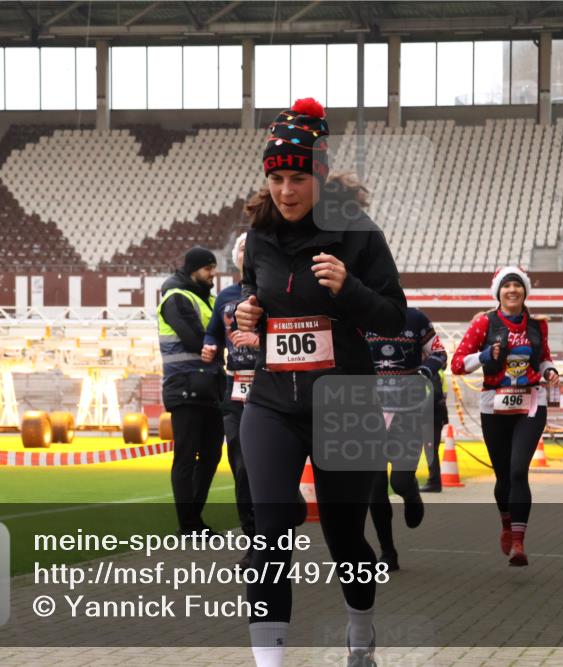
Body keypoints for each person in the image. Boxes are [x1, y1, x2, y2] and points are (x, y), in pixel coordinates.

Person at [235, 97, 406, 667]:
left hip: (345, 401)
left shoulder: (358, 235)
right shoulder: (258, 236)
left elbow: (394, 318)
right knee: (270, 531)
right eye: (278, 178)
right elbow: (256, 300)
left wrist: (348, 289)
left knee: (345, 538)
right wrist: (250, 317)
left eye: (299, 177)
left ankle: (361, 632)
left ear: (321, 175)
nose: (287, 191)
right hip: (272, 402)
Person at [450, 266, 559, 567]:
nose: (512, 290)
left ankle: (519, 544)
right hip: (494, 405)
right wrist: (484, 356)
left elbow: (544, 355)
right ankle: (507, 524)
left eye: (518, 286)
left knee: (517, 471)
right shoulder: (483, 323)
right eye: (507, 286)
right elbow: (457, 364)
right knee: (502, 477)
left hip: (530, 405)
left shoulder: (538, 325)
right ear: (498, 292)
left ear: (525, 292)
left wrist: (549, 370)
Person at [364, 307, 447, 570]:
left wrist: (425, 371)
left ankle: (410, 494)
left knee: (398, 482)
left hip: (408, 414)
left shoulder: (416, 319)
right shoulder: (358, 317)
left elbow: (440, 352)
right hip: (368, 415)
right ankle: (388, 552)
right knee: (375, 490)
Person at [201, 232, 260, 564]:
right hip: (234, 387)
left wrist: (258, 341)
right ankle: (252, 541)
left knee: (269, 464)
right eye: (241, 248)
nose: (245, 252)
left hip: (271, 386)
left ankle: (287, 498)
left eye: (251, 248)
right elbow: (213, 330)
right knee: (240, 465)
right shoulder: (226, 296)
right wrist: (210, 344)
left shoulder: (275, 292)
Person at [158, 247, 226, 535]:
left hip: (211, 386)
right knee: (186, 456)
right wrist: (215, 344)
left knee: (211, 456)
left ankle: (193, 519)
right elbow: (193, 340)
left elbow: (219, 336)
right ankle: (188, 524)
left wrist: (216, 343)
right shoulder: (175, 297)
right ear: (194, 269)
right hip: (184, 386)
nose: (213, 275)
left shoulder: (207, 298)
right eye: (209, 269)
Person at [420, 368, 450, 493]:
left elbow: (435, 393)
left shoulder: (430, 371)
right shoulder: (438, 372)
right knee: (430, 449)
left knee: (430, 449)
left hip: (430, 415)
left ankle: (434, 482)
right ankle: (433, 481)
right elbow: (441, 394)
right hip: (435, 414)